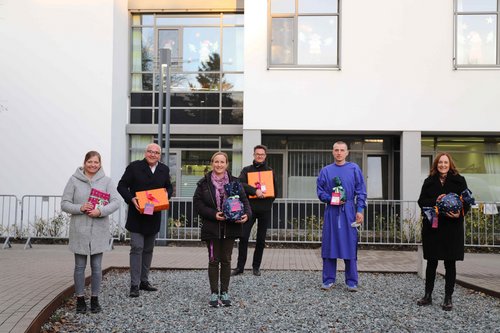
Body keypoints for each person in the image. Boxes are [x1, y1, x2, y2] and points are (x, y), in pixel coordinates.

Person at [61, 151, 121, 314]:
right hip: (79, 230)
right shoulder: (73, 180)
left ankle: (95, 299)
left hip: (99, 231)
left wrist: (100, 211)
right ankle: (80, 299)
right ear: (84, 162)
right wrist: (79, 208)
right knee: (79, 267)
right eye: (90, 162)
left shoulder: (107, 181)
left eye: (96, 162)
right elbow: (64, 204)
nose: (93, 165)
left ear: (100, 164)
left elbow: (116, 202)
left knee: (96, 267)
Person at [193, 152, 251, 307]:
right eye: (216, 162)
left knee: (226, 260)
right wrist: (213, 214)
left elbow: (245, 201)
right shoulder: (203, 183)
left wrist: (246, 214)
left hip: (230, 228)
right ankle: (213, 292)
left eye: (222, 162)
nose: (219, 165)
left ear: (227, 164)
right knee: (213, 260)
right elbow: (197, 204)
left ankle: (224, 291)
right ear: (212, 163)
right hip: (212, 229)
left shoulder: (235, 182)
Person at [117, 143, 173, 298]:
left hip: (153, 216)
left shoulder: (164, 169)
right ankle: (134, 284)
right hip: (137, 215)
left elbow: (169, 187)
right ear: (145, 152)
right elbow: (121, 186)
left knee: (148, 250)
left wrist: (166, 194)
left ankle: (144, 281)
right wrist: (131, 198)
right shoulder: (134, 167)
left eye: (156, 152)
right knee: (137, 247)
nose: (153, 154)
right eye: (150, 151)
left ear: (160, 155)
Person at [417, 152, 471, 311]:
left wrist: (460, 212)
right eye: (440, 162)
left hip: (452, 228)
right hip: (433, 227)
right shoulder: (429, 181)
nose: (443, 165)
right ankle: (427, 295)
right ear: (436, 164)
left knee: (450, 263)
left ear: (450, 164)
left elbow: (466, 201)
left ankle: (448, 298)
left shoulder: (459, 180)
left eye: (445, 163)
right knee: (431, 262)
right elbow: (421, 201)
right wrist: (437, 200)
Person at [316, 141, 367, 292]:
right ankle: (328, 279)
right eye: (336, 150)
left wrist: (360, 209)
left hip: (349, 211)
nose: (339, 153)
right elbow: (320, 191)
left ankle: (351, 281)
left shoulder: (354, 169)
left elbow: (361, 191)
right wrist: (331, 199)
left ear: (347, 152)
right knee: (330, 243)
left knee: (350, 244)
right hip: (332, 211)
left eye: (342, 150)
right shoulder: (326, 171)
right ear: (332, 152)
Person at [232, 144, 277, 277]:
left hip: (265, 210)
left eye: (262, 154)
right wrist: (254, 191)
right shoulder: (247, 170)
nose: (259, 156)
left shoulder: (270, 171)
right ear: (254, 155)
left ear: (265, 156)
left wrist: (267, 201)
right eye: (257, 154)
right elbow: (240, 184)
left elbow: (275, 191)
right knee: (243, 237)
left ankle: (256, 267)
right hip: (249, 209)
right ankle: (240, 267)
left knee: (261, 240)